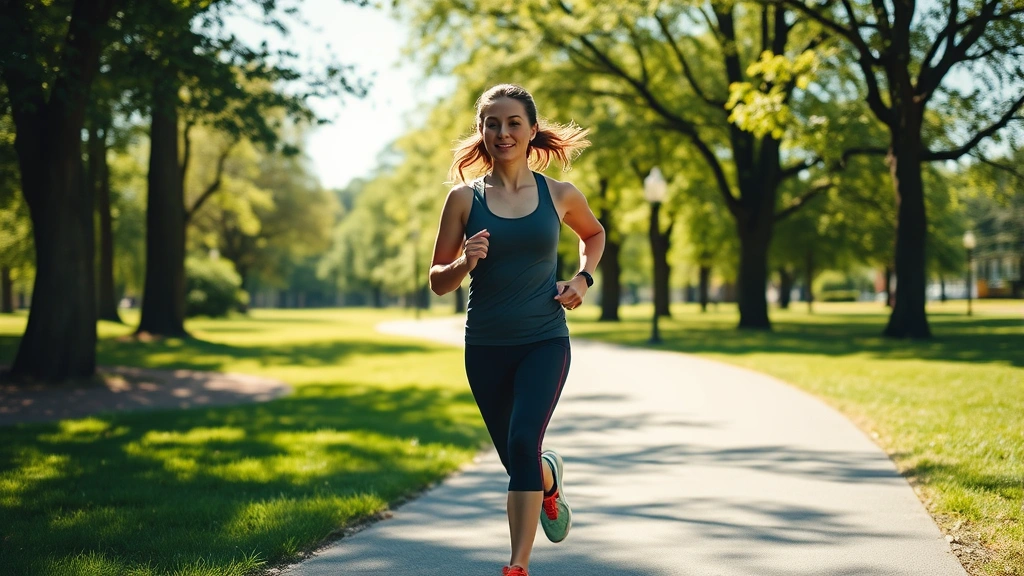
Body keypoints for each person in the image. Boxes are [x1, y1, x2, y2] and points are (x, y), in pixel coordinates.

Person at [428, 84, 606, 576]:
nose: (501, 132)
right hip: (485, 347)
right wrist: (465, 260)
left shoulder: (560, 194)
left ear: (530, 130)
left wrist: (582, 278)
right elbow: (437, 281)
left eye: (512, 123)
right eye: (491, 124)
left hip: (545, 339)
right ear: (481, 131)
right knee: (518, 460)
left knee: (524, 441)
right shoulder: (464, 199)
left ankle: (517, 566)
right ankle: (548, 477)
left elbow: (594, 234)